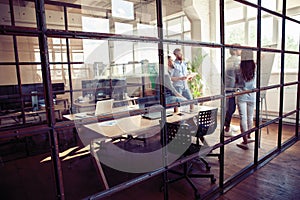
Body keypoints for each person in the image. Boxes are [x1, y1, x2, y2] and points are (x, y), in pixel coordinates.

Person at [236, 50, 256, 150]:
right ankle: (249, 136)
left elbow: (235, 82)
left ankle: (245, 140)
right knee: (250, 117)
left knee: (243, 117)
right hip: (252, 95)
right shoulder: (255, 67)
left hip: (241, 95)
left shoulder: (238, 68)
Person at [224, 44, 241, 137]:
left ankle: (228, 126)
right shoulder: (236, 60)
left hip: (227, 86)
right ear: (235, 51)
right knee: (231, 108)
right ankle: (226, 128)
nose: (241, 51)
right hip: (232, 87)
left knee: (229, 107)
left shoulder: (228, 60)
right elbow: (239, 74)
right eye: (239, 49)